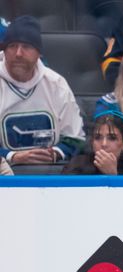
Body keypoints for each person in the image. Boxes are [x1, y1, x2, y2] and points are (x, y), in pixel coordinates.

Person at [0, 16, 85, 166]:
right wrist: (11, 156)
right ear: (4, 50)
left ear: (39, 53)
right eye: (12, 46)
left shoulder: (56, 84)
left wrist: (56, 153)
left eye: (26, 46)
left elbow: (76, 139)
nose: (18, 53)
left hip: (49, 174)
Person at [62, 110, 123, 175]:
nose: (104, 144)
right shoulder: (75, 169)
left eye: (112, 138)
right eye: (97, 138)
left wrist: (112, 175)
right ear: (92, 141)